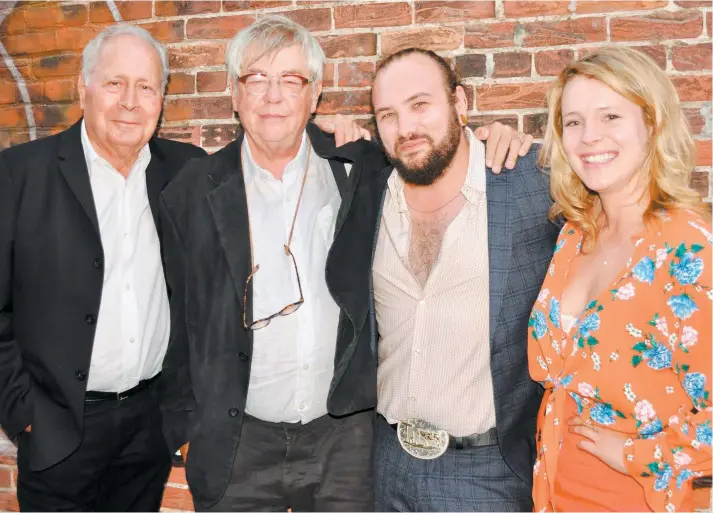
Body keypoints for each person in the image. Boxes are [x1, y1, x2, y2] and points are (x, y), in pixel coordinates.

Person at [158, 15, 529, 512]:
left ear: (315, 98)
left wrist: (493, 137)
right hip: (236, 444)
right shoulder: (191, 189)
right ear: (234, 93)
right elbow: (174, 317)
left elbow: (432, 149)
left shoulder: (360, 170)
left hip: (344, 444)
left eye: (291, 80)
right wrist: (186, 425)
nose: (273, 96)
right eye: (256, 79)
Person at [337, 47, 558, 512]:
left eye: (421, 104)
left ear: (460, 103)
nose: (406, 127)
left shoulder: (530, 184)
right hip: (387, 463)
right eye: (388, 115)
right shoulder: (366, 192)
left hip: (488, 473)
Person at [0, 25, 206, 511]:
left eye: (146, 86)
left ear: (161, 97)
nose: (130, 101)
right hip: (58, 428)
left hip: (148, 427)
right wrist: (24, 412)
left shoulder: (188, 171)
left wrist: (338, 143)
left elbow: (266, 159)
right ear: (83, 88)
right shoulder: (18, 175)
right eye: (115, 83)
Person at [528, 46, 712, 512]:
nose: (590, 136)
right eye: (573, 122)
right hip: (555, 491)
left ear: (651, 124)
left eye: (610, 116)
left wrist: (633, 453)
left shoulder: (687, 247)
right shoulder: (576, 233)